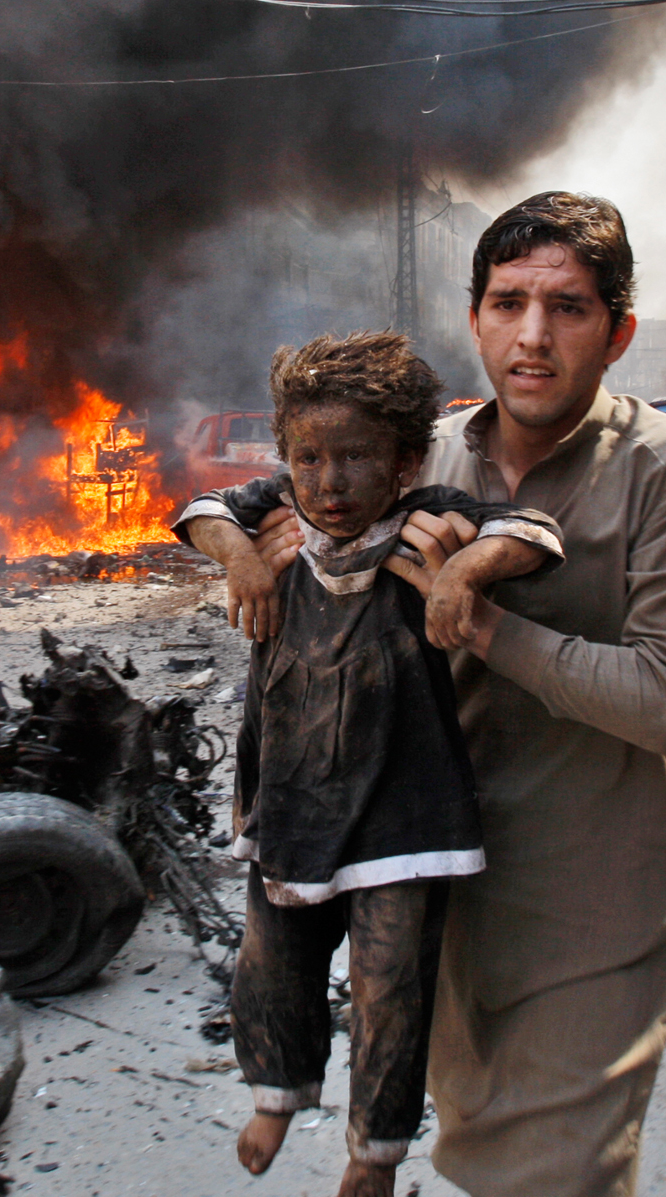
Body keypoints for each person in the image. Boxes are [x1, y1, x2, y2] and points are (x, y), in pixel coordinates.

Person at [251, 193, 666, 1197]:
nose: (531, 337)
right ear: (474, 316)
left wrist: (476, 616)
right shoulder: (415, 459)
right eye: (506, 301)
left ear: (617, 332)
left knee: (547, 1176)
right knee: (468, 1147)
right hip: (432, 885)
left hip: (592, 912)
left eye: (567, 309)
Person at [175, 331, 563, 1197]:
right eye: (308, 457)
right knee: (271, 963)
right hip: (290, 797)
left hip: (405, 807)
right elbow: (200, 510)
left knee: (390, 987)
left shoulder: (425, 522)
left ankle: (374, 1152)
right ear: (284, 455)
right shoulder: (273, 519)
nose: (329, 481)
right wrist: (240, 557)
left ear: (403, 459)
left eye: (355, 457)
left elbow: (532, 533)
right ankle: (277, 1092)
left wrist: (466, 571)